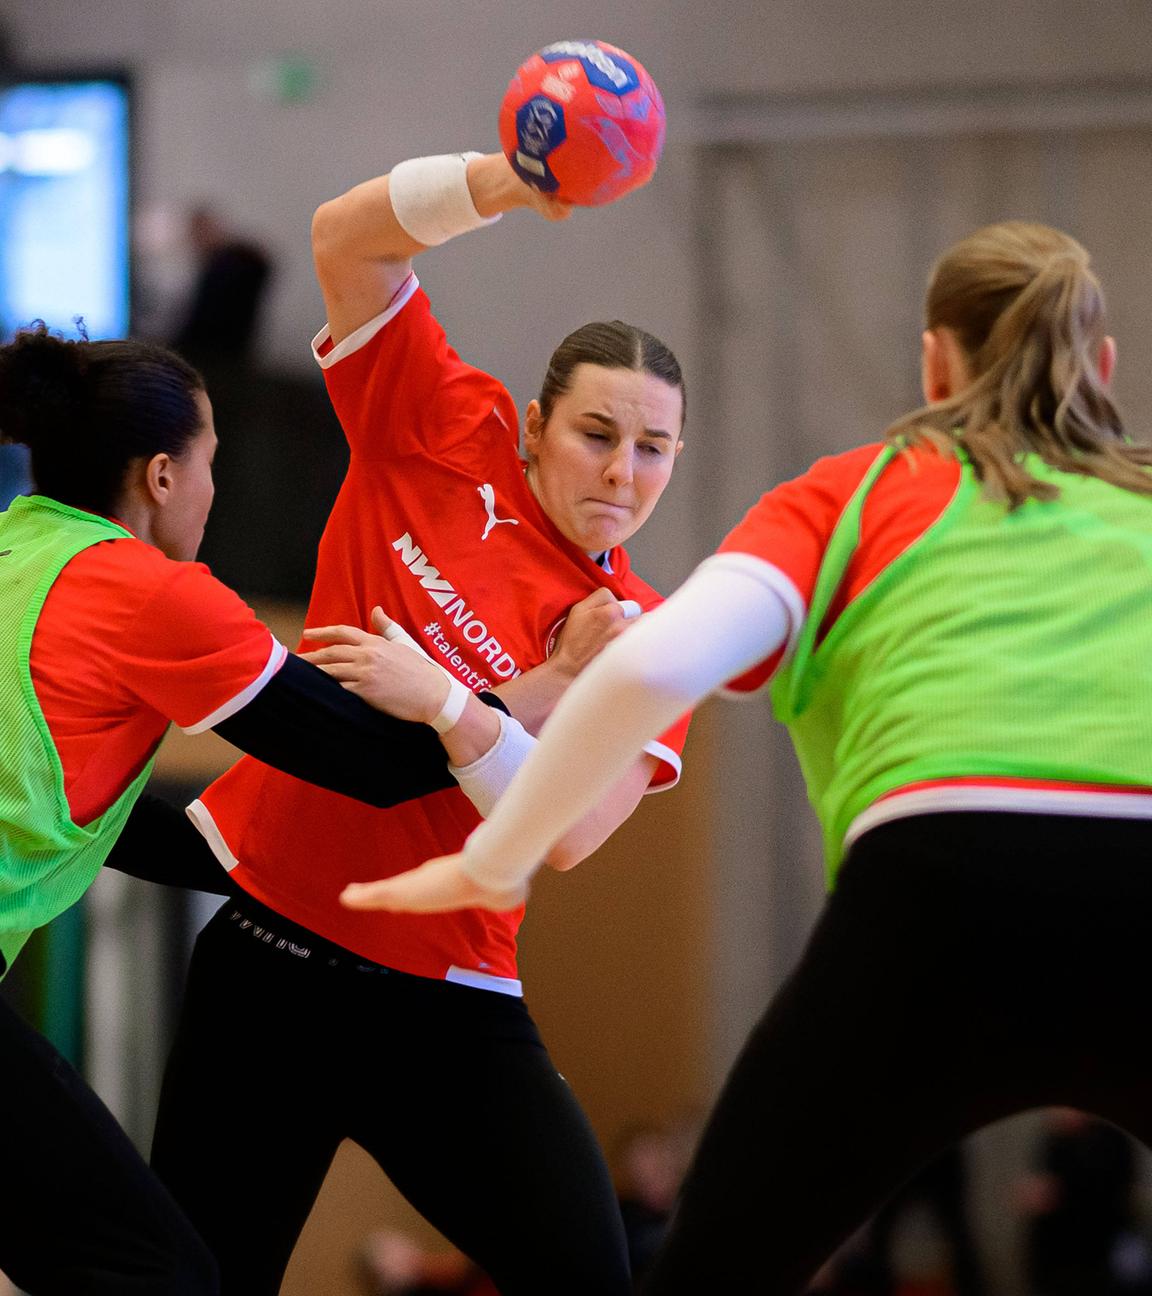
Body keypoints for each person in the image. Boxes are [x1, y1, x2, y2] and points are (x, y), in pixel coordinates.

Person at [358, 220, 1152, 1295]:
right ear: (1100, 366)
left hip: (937, 895)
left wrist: (491, 857)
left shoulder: (859, 491)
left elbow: (650, 669)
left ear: (933, 360)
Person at [145, 146, 691, 1296]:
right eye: (598, 433)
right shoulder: (446, 426)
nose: (623, 470)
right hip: (269, 958)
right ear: (536, 424)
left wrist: (450, 705)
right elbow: (345, 237)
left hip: (444, 1008)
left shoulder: (642, 634)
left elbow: (570, 836)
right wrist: (511, 178)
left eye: (654, 448)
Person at [0, 324, 526, 1296]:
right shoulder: (150, 596)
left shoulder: (18, 541)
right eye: (211, 462)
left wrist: (265, 873)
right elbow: (376, 763)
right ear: (162, 476)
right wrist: (525, 695)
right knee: (156, 1272)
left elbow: (94, 822)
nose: (213, 489)